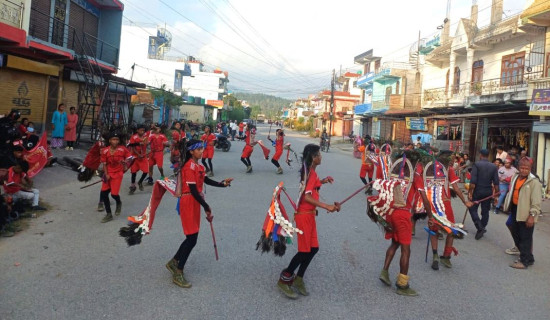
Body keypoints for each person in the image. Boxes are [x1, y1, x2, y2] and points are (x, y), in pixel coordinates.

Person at [167, 139, 233, 288]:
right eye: (198, 149)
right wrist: (206, 206)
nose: (201, 152)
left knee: (191, 237)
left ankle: (174, 262)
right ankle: (178, 271)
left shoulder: (199, 166)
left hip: (195, 202)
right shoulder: (189, 167)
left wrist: (222, 184)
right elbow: (193, 191)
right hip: (188, 202)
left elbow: (206, 180)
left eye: (202, 149)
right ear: (191, 151)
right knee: (192, 239)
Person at [277, 144, 340, 299]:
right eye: (319, 154)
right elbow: (307, 196)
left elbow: (312, 187)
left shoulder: (311, 172)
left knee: (313, 249)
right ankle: (285, 280)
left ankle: (299, 279)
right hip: (304, 215)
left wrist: (323, 181)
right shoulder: (310, 174)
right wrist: (327, 206)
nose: (321, 156)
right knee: (305, 250)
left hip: (309, 215)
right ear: (313, 157)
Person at [429, 152, 473, 270]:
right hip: (444, 203)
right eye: (452, 160)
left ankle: (437, 255)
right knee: (450, 229)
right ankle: (444, 256)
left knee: (435, 229)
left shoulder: (430, 167)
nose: (453, 162)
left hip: (433, 203)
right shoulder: (448, 170)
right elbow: (457, 188)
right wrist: (465, 202)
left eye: (454, 160)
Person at [376, 180, 417, 296]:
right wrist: (430, 216)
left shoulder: (395, 171)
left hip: (392, 212)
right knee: (406, 250)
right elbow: (424, 196)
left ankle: (384, 271)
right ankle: (402, 285)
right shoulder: (415, 175)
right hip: (403, 215)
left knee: (395, 243)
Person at [502, 158, 542, 269]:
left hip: (527, 212)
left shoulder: (534, 182)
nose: (524, 170)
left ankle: (524, 262)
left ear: (530, 169)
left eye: (526, 168)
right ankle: (529, 257)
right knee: (512, 226)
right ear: (519, 168)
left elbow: (536, 202)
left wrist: (532, 216)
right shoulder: (516, 177)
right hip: (515, 208)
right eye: (522, 168)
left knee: (526, 236)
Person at [99, 132, 132, 223]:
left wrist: (125, 163)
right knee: (104, 193)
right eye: (113, 139)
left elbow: (130, 157)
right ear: (109, 141)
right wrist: (106, 174)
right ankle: (109, 214)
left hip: (118, 174)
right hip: (108, 173)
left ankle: (118, 202)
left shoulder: (122, 149)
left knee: (114, 194)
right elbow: (104, 164)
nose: (115, 141)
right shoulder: (105, 151)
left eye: (117, 139)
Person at [468, 149, 499, 240]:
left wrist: (470, 193)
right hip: (488, 191)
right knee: (485, 211)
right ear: (488, 156)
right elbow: (496, 183)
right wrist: (496, 195)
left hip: (478, 190)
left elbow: (472, 182)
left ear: (480, 155)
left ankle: (479, 227)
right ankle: (482, 226)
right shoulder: (493, 167)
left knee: (472, 209)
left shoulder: (477, 165)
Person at [128, 125, 149, 195]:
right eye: (141, 130)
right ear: (137, 130)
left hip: (143, 156)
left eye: (143, 130)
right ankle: (133, 186)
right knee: (133, 172)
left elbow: (146, 144)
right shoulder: (133, 137)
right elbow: (132, 147)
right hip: (135, 157)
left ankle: (140, 182)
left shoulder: (145, 137)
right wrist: (138, 154)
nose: (142, 132)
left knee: (146, 171)